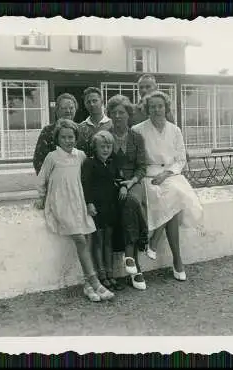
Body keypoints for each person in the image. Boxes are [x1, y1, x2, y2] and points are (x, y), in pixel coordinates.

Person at [35, 119, 115, 302]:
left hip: (78, 202)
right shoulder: (52, 157)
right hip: (61, 203)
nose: (68, 141)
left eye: (71, 137)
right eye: (63, 137)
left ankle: (87, 286)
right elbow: (42, 179)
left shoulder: (81, 156)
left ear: (76, 138)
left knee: (86, 238)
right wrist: (41, 197)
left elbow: (88, 179)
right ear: (57, 138)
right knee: (80, 238)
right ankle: (95, 282)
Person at [132, 91, 204, 281]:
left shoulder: (175, 130)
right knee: (171, 202)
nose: (157, 110)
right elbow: (136, 160)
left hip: (170, 174)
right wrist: (151, 175)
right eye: (153, 106)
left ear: (166, 108)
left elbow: (180, 159)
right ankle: (177, 260)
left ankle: (154, 240)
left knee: (177, 193)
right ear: (147, 109)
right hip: (149, 176)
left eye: (160, 106)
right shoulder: (138, 130)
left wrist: (166, 173)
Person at [106, 94, 149, 290]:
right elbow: (103, 164)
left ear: (128, 115)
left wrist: (130, 182)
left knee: (131, 201)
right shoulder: (105, 136)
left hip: (134, 181)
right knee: (126, 204)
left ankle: (130, 257)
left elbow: (142, 167)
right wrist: (119, 184)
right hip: (112, 182)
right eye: (114, 113)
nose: (117, 116)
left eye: (121, 112)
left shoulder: (137, 137)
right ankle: (134, 265)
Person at [81, 131, 125, 291]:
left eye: (108, 146)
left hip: (110, 206)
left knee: (108, 241)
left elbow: (120, 179)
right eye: (102, 147)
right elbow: (86, 185)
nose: (106, 150)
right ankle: (101, 275)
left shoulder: (113, 162)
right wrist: (89, 203)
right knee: (98, 241)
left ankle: (110, 273)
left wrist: (124, 187)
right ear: (95, 147)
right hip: (97, 208)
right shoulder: (89, 163)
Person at [32, 93, 78, 175]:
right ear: (57, 110)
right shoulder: (47, 131)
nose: (68, 111)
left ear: (76, 109)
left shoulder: (81, 130)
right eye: (64, 108)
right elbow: (38, 161)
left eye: (71, 108)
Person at [76, 87, 113, 157]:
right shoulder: (80, 127)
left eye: (95, 101)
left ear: (102, 102)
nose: (92, 104)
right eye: (88, 102)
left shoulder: (112, 125)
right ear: (85, 104)